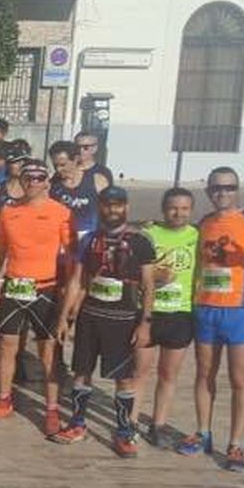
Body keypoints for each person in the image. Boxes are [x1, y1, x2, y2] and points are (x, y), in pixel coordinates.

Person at [176, 168, 244, 472]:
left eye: (229, 187)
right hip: (207, 309)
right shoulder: (205, 222)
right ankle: (203, 432)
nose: (223, 192)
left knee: (239, 379)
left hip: (240, 313)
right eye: (216, 188)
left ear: (238, 189)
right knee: (203, 374)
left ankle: (235, 443)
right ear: (209, 191)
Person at [55, 187, 157, 457]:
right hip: (91, 318)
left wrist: (145, 323)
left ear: (126, 207)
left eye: (118, 204)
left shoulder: (140, 241)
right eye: (107, 205)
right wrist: (65, 317)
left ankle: (124, 430)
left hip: (123, 321)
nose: (113, 210)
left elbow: (148, 285)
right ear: (99, 207)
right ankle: (77, 422)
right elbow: (78, 281)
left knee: (124, 379)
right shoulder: (89, 239)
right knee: (81, 372)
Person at [0, 160, 74, 430]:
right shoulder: (9, 211)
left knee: (48, 350)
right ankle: (4, 400)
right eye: (28, 177)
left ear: (47, 182)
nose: (33, 182)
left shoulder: (61, 212)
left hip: (46, 287)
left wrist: (71, 296)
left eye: (39, 177)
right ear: (22, 180)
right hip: (14, 285)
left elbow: (73, 257)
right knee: (6, 345)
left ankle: (52, 409)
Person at [134, 187, 200, 449]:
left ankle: (158, 425)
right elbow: (133, 271)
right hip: (149, 311)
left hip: (180, 314)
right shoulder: (148, 234)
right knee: (140, 372)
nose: (178, 213)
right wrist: (153, 277)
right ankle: (129, 422)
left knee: (168, 374)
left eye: (185, 208)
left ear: (191, 211)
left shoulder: (197, 234)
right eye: (173, 208)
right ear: (163, 209)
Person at [49, 139, 108, 248]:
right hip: (61, 243)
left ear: (75, 159)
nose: (58, 169)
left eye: (63, 165)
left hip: (90, 242)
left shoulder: (97, 181)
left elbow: (109, 212)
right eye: (55, 165)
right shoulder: (51, 185)